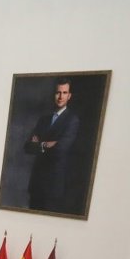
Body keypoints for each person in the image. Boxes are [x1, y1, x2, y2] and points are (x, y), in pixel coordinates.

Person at [25, 78, 80, 213]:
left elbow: (60, 149)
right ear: (54, 94)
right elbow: (27, 146)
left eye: (64, 93)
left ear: (69, 96)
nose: (60, 96)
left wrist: (39, 144)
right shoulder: (43, 119)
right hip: (36, 184)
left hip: (53, 186)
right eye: (58, 92)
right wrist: (46, 144)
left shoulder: (72, 120)